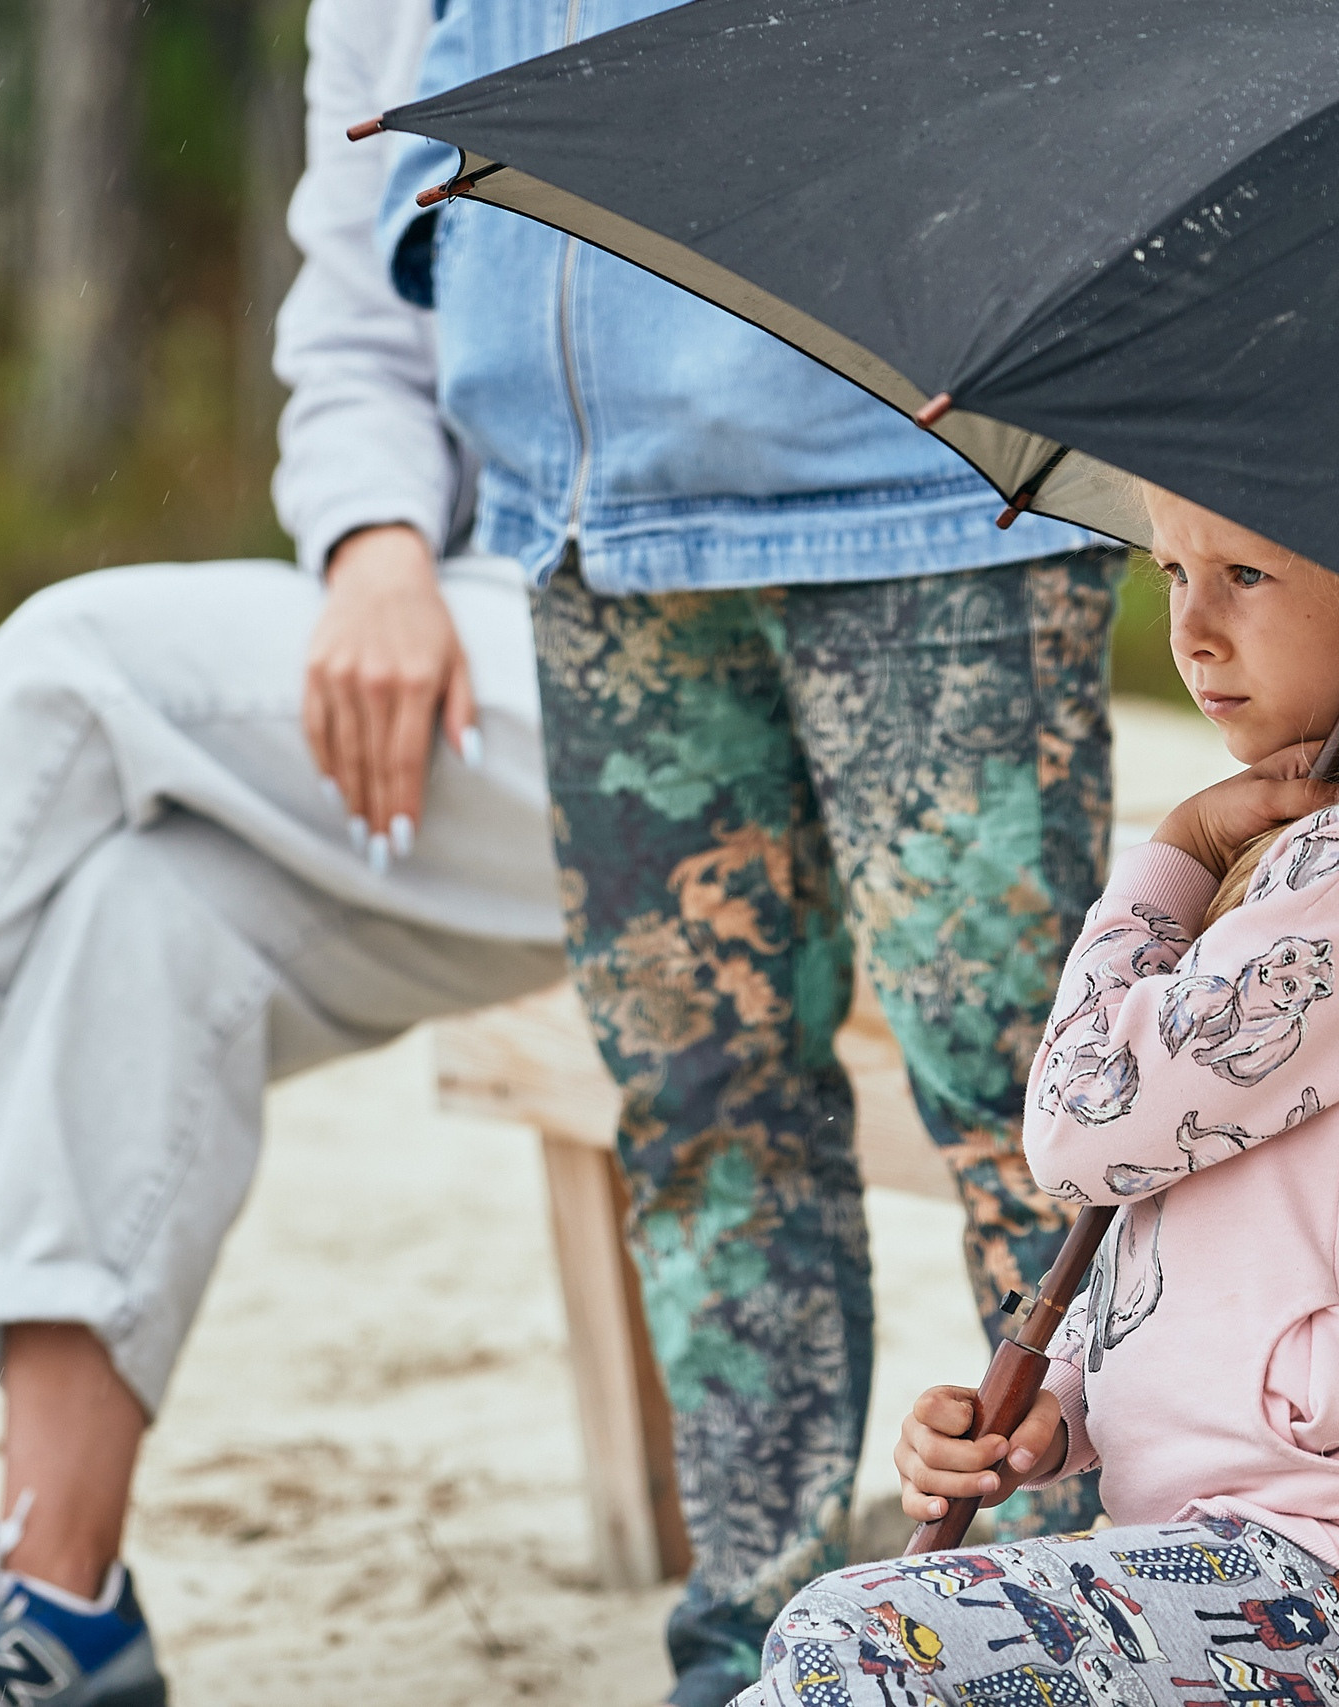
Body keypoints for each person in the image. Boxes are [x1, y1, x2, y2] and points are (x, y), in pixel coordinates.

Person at [0, 3, 569, 1702]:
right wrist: (376, 546)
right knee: (146, 909)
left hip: (688, 648)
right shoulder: (385, 6)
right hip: (471, 641)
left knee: (71, 668)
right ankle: (56, 1604)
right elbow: (353, 330)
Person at [379, 6, 1123, 1701]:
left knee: (1032, 1095)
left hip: (925, 487)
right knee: (696, 1100)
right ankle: (751, 1639)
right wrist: (443, 243)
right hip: (598, 515)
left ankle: (1060, 1617)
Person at [744, 485, 1339, 1707]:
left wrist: (1176, 852)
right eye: (1172, 572)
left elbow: (1083, 1129)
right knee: (842, 1653)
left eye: (1244, 575)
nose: (1192, 628)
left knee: (853, 1639)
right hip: (1229, 1572)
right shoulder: (1321, 858)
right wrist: (1057, 1411)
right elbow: (1222, 1226)